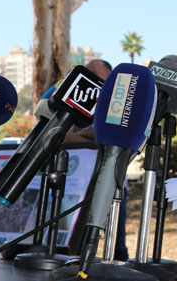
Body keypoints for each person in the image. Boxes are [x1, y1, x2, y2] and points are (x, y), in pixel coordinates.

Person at [63, 59, 129, 261]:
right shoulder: (77, 101)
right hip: (78, 186)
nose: (90, 79)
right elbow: (64, 136)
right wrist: (92, 136)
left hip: (114, 183)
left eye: (96, 75)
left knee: (116, 242)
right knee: (78, 241)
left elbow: (114, 133)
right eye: (87, 73)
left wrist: (84, 135)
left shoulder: (119, 103)